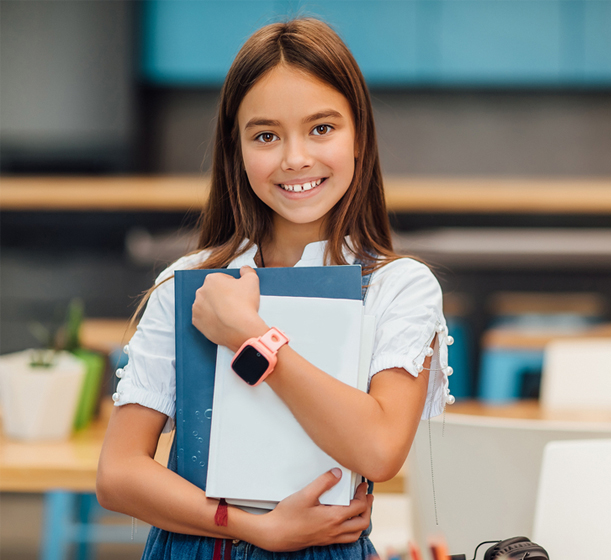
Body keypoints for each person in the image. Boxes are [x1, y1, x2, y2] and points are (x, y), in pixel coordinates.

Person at [97, 17, 454, 560]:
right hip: (194, 547)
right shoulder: (188, 282)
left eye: (321, 128)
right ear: (235, 148)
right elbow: (118, 474)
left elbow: (379, 450)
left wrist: (252, 335)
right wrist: (254, 527)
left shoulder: (397, 286)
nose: (295, 158)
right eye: (266, 135)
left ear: (359, 134)